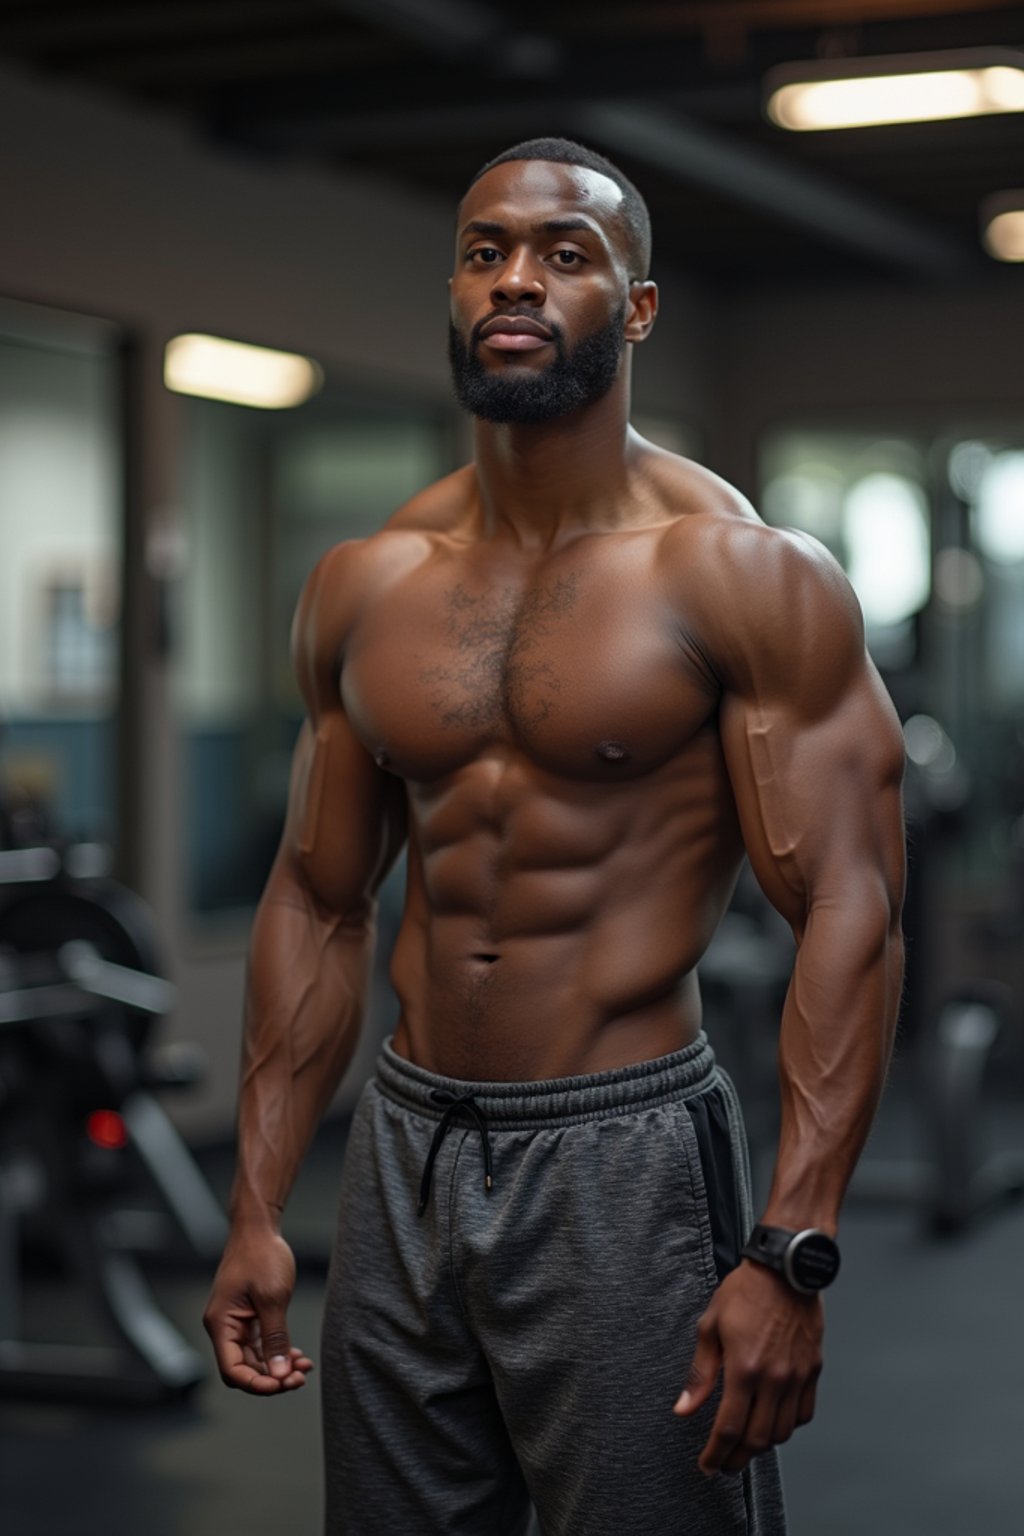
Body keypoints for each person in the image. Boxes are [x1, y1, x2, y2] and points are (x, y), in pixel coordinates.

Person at [204, 137, 906, 1535]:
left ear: (634, 308)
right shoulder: (366, 584)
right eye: (485, 251)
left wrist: (792, 1250)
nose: (516, 279)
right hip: (401, 1145)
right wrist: (258, 1201)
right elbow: (320, 897)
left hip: (624, 1152)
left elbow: (850, 903)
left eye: (565, 254)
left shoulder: (740, 574)